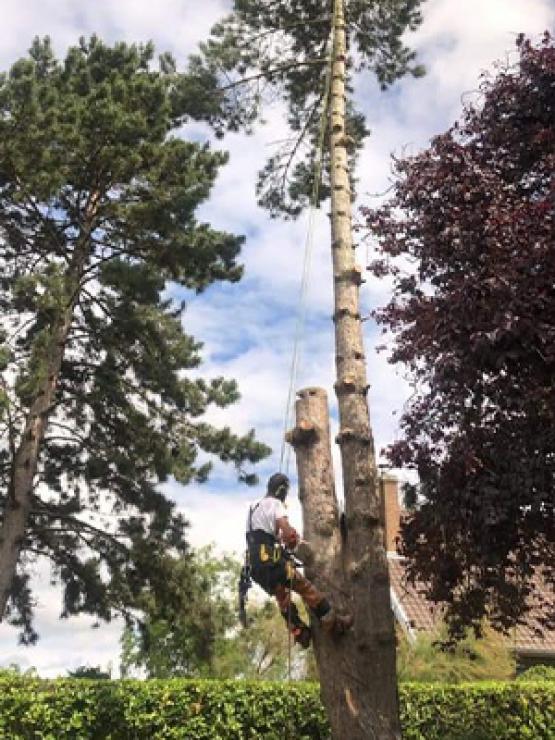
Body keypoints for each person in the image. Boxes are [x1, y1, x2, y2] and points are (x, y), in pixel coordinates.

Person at [246, 472, 352, 648]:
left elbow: (260, 535)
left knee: (282, 597)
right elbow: (287, 532)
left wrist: (278, 542)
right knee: (305, 587)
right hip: (271, 562)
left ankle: (300, 632)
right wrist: (292, 539)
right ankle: (332, 623)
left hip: (255, 567)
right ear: (282, 490)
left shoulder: (253, 507)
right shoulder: (276, 504)